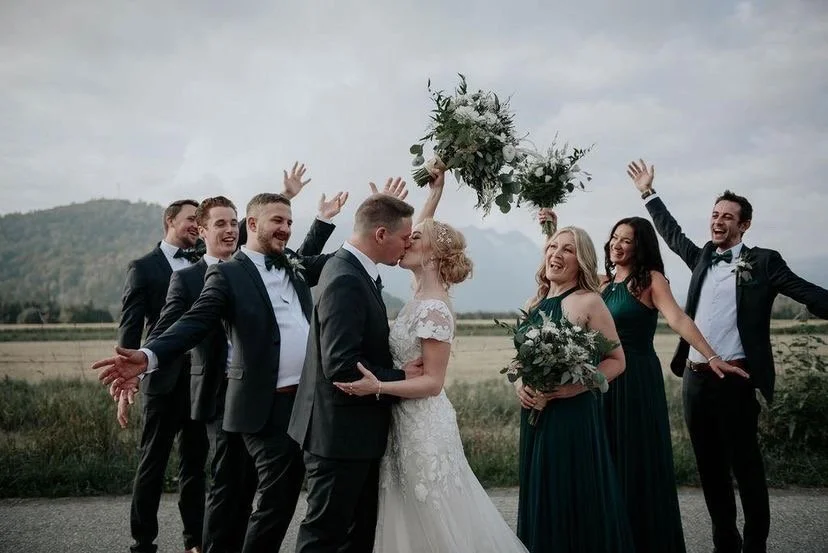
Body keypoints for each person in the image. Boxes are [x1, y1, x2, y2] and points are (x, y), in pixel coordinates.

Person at [94, 181, 348, 553]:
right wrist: (147, 358)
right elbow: (185, 325)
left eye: (234, 224)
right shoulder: (211, 275)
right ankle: (168, 542)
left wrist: (325, 221)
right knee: (232, 489)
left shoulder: (286, 263)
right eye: (221, 224)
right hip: (223, 393)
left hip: (291, 399)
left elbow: (310, 255)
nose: (230, 230)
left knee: (254, 490)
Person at [628, 158, 828, 553]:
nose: (718, 221)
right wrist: (648, 193)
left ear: (744, 225)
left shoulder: (764, 262)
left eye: (727, 217)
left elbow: (807, 292)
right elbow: (672, 235)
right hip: (696, 379)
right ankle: (725, 544)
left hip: (736, 379)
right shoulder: (702, 256)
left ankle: (755, 545)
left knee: (746, 469)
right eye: (715, 214)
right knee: (710, 470)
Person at [332, 171, 528, 552]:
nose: (405, 242)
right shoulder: (419, 292)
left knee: (433, 513)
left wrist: (379, 386)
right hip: (401, 422)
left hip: (423, 423)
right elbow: (419, 230)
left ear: (433, 254)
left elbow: (433, 382)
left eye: (413, 239)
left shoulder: (434, 307)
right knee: (406, 512)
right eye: (405, 237)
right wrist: (431, 195)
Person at [537, 210, 745, 553]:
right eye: (615, 238)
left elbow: (678, 319)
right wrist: (549, 229)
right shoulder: (602, 283)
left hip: (636, 380)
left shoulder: (650, 280)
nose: (618, 245)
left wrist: (710, 355)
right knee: (603, 460)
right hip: (600, 377)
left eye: (626, 241)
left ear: (640, 246)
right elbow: (556, 276)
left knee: (634, 461)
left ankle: (643, 541)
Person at [287, 188, 426, 553]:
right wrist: (402, 377)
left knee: (355, 534)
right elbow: (341, 365)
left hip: (349, 433)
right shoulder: (346, 278)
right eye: (403, 237)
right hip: (340, 436)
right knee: (324, 537)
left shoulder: (351, 267)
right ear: (380, 235)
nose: (406, 244)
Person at [514, 227, 633, 553]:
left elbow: (617, 360)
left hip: (572, 415)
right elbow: (519, 363)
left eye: (567, 249)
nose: (556, 254)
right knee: (541, 492)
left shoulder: (589, 302)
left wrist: (575, 387)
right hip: (535, 415)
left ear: (580, 261)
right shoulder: (535, 301)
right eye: (553, 246)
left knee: (570, 494)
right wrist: (521, 384)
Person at [117, 197, 209, 553]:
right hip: (160, 380)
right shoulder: (143, 268)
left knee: (195, 467)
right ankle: (143, 541)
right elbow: (129, 330)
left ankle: (196, 541)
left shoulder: (208, 263)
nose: (196, 226)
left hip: (201, 380)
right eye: (191, 219)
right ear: (171, 220)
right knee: (151, 464)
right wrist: (126, 381)